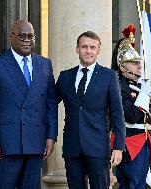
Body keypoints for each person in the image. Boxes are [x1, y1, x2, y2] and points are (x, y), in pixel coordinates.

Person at [0, 19, 58, 189]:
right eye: (22, 36)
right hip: (6, 143)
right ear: (11, 37)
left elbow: (50, 103)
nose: (27, 40)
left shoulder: (44, 64)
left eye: (31, 36)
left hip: (35, 141)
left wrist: (51, 136)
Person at [56, 31, 126, 189]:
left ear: (98, 51)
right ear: (77, 49)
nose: (88, 51)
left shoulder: (109, 76)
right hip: (72, 147)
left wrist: (118, 147)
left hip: (98, 147)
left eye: (92, 47)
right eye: (84, 47)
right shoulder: (65, 76)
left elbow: (117, 114)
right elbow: (49, 102)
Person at [111, 24, 151, 189]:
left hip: (142, 140)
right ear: (122, 66)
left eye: (138, 62)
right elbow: (131, 115)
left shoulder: (134, 86)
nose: (139, 65)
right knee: (133, 184)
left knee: (139, 184)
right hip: (130, 142)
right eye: (133, 62)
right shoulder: (119, 87)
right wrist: (144, 94)